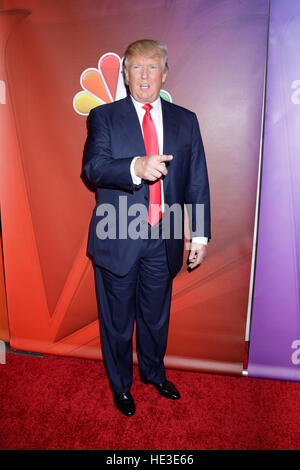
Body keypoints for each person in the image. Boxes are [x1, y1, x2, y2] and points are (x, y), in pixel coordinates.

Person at [82, 39, 211, 417]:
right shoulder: (104, 116)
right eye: (135, 67)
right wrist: (135, 167)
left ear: (164, 73)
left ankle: (154, 374)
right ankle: (120, 386)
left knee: (155, 317)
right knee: (117, 322)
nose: (143, 75)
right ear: (125, 73)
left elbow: (197, 180)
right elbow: (93, 169)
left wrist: (199, 234)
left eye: (152, 67)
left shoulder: (186, 120)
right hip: (117, 236)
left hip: (165, 237)